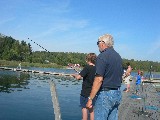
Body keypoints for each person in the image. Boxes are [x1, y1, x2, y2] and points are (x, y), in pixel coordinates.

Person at [86, 34, 123, 120]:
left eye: (98, 43)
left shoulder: (102, 56)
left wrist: (90, 98)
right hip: (117, 93)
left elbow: (99, 79)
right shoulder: (118, 56)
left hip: (105, 95)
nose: (98, 45)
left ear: (103, 43)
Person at [72, 53, 97, 120]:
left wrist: (74, 75)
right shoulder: (97, 68)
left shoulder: (87, 67)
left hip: (85, 93)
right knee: (91, 111)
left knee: (84, 109)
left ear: (88, 59)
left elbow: (78, 77)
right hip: (93, 93)